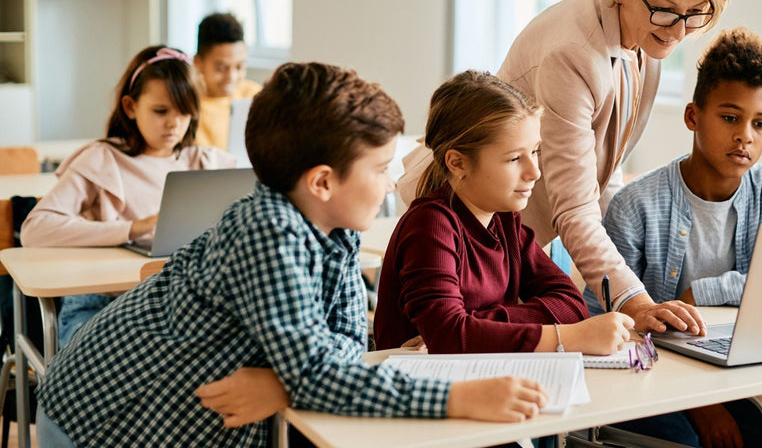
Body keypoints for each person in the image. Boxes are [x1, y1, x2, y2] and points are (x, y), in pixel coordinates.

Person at [33, 63, 549, 448]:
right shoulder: (269, 231)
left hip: (183, 418)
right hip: (101, 420)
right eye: (379, 167)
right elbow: (322, 373)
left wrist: (288, 384)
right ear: (322, 181)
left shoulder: (336, 230)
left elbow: (343, 350)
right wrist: (461, 398)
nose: (392, 182)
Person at [398, 0, 729, 336]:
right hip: (463, 225)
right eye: (666, 10)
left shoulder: (648, 37)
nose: (679, 30)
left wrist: (635, 287)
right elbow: (575, 205)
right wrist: (634, 299)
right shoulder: (574, 52)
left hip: (513, 233)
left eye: (695, 13)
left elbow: (602, 179)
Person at [601, 27, 762, 448]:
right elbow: (608, 331)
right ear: (694, 116)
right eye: (730, 117)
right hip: (653, 381)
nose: (745, 136)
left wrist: (703, 292)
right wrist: (702, 404)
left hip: (744, 376)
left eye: (760, 123)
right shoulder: (634, 207)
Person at [374, 70, 634, 355]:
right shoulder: (431, 225)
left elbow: (571, 304)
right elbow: (448, 335)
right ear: (457, 163)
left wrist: (474, 328)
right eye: (514, 158)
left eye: (535, 151)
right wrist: (566, 337)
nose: (534, 172)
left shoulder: (504, 220)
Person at [21, 44, 236, 346]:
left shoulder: (208, 162)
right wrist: (133, 228)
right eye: (161, 111)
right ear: (131, 106)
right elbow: (34, 230)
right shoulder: (100, 159)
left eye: (185, 111)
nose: (174, 123)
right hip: (102, 304)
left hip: (176, 304)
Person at [193, 12, 263, 150]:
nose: (231, 77)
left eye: (239, 66)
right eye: (221, 68)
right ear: (198, 63)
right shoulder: (187, 106)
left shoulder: (254, 96)